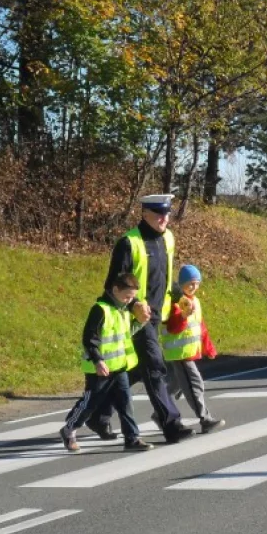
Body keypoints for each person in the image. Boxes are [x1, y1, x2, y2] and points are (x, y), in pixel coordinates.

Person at [91, 194, 194, 445]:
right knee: (156, 367)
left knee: (134, 370)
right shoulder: (129, 243)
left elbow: (165, 278)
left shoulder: (168, 238)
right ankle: (171, 424)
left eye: (167, 214)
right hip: (132, 319)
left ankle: (98, 413)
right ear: (145, 214)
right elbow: (112, 285)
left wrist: (180, 298)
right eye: (159, 214)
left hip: (157, 316)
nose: (164, 219)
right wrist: (135, 304)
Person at [59, 272, 154, 453]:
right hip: (99, 369)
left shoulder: (123, 310)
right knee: (90, 403)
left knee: (126, 402)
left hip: (119, 367)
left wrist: (140, 323)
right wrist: (98, 360)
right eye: (127, 296)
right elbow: (89, 338)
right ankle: (69, 429)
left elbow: (124, 335)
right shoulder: (100, 309)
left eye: (132, 297)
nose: (129, 301)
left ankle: (132, 438)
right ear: (115, 289)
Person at [161, 265, 225, 433]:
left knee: (175, 386)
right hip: (180, 354)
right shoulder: (177, 302)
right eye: (190, 284)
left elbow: (200, 327)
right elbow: (172, 327)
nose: (193, 287)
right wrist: (183, 316)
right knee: (194, 384)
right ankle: (205, 419)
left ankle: (159, 411)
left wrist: (208, 347)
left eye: (196, 284)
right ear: (181, 284)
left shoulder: (194, 301)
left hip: (189, 352)